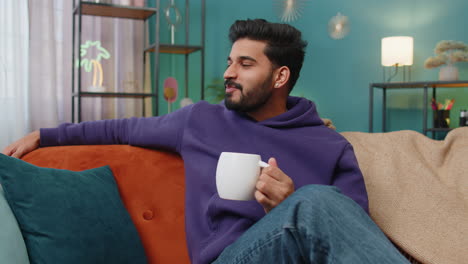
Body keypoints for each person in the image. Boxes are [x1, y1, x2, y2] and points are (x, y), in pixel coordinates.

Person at [3, 19, 408, 264]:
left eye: (245, 64)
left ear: (280, 77)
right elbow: (121, 129)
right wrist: (45, 134)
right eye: (230, 61)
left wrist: (291, 202)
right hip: (233, 259)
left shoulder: (329, 143)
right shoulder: (200, 121)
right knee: (316, 201)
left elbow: (353, 233)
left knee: (319, 201)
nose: (229, 72)